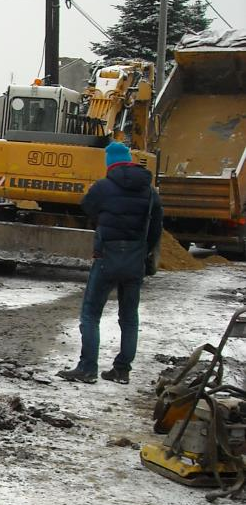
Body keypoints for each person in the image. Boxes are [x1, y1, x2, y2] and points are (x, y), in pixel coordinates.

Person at [58, 140, 163, 385]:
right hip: (135, 260)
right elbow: (156, 229)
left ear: (110, 164)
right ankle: (122, 370)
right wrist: (143, 251)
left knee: (91, 314)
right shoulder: (150, 192)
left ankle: (87, 368)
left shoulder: (103, 187)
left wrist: (106, 220)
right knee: (129, 317)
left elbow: (87, 208)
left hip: (107, 257)